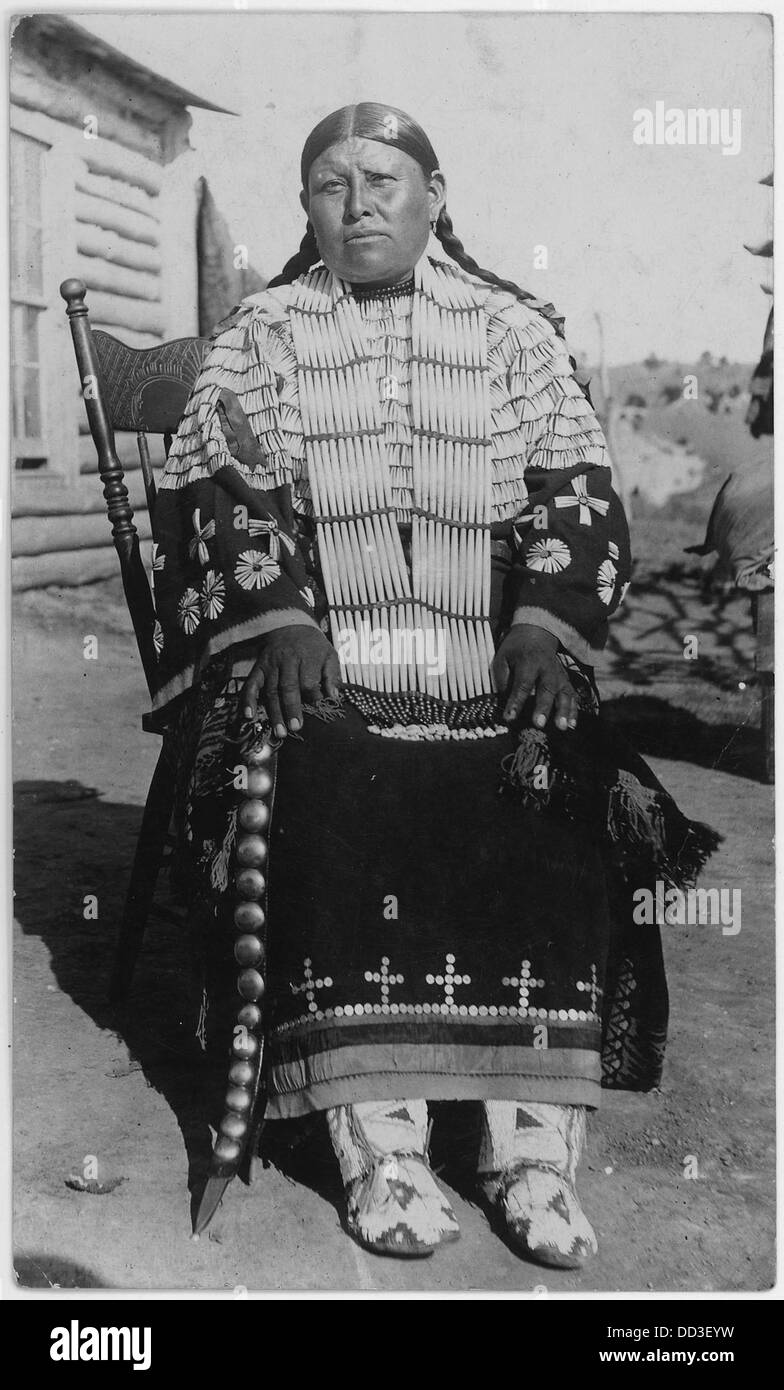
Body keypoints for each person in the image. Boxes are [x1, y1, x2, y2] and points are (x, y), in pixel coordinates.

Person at [150, 103, 717, 1267]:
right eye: (327, 184)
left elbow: (578, 494)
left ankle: (529, 1151)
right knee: (330, 772)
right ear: (303, 208)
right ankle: (383, 1143)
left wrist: (543, 629)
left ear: (436, 193)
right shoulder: (261, 335)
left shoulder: (512, 334)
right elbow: (215, 497)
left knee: (558, 771)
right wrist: (282, 623)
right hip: (327, 657)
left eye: (381, 180)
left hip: (482, 649)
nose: (356, 204)